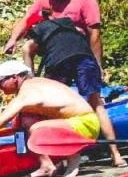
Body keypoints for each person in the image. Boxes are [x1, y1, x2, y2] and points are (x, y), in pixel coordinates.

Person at [15, 11, 124, 168]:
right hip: (86, 58)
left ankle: (58, 159)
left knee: (53, 107)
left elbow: (27, 59)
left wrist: (29, 86)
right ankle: (116, 155)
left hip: (59, 61)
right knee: (97, 103)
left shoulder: (36, 32)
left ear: (31, 27)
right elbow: (82, 36)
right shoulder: (68, 24)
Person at [0, 61, 100, 177]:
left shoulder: (27, 93)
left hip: (85, 124)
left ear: (15, 78)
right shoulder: (35, 84)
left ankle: (73, 161)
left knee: (36, 129)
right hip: (76, 124)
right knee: (26, 119)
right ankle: (46, 164)